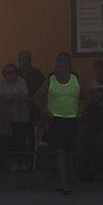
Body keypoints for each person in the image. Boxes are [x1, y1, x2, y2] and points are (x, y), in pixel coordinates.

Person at [36, 52, 81, 195]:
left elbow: (86, 96)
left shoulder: (75, 79)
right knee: (60, 151)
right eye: (56, 65)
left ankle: (69, 177)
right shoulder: (50, 80)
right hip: (56, 120)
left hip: (72, 119)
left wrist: (81, 111)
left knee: (70, 151)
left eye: (61, 65)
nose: (58, 68)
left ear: (68, 66)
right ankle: (64, 183)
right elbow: (37, 97)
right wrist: (44, 110)